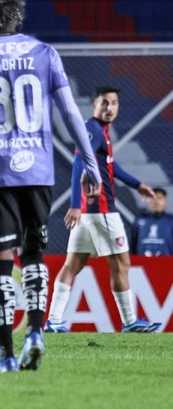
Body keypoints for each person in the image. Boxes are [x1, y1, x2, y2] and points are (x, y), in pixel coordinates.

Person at [0, 0, 103, 372]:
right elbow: (70, 113)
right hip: (37, 169)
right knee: (33, 253)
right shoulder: (43, 52)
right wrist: (90, 162)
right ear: (17, 12)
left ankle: (5, 355)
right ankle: (35, 333)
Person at [46, 86, 162, 334]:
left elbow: (110, 165)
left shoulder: (100, 132)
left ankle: (54, 320)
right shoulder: (93, 130)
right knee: (122, 263)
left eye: (114, 103)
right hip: (102, 211)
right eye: (105, 103)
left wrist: (137, 184)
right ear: (94, 106)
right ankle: (130, 322)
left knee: (73, 264)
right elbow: (78, 162)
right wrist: (75, 205)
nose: (110, 108)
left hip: (91, 213)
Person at [130, 187, 173, 256]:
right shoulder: (139, 220)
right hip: (143, 263)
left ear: (166, 201)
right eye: (152, 198)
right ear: (148, 200)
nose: (156, 201)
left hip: (167, 264)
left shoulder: (170, 221)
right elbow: (133, 245)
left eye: (159, 198)